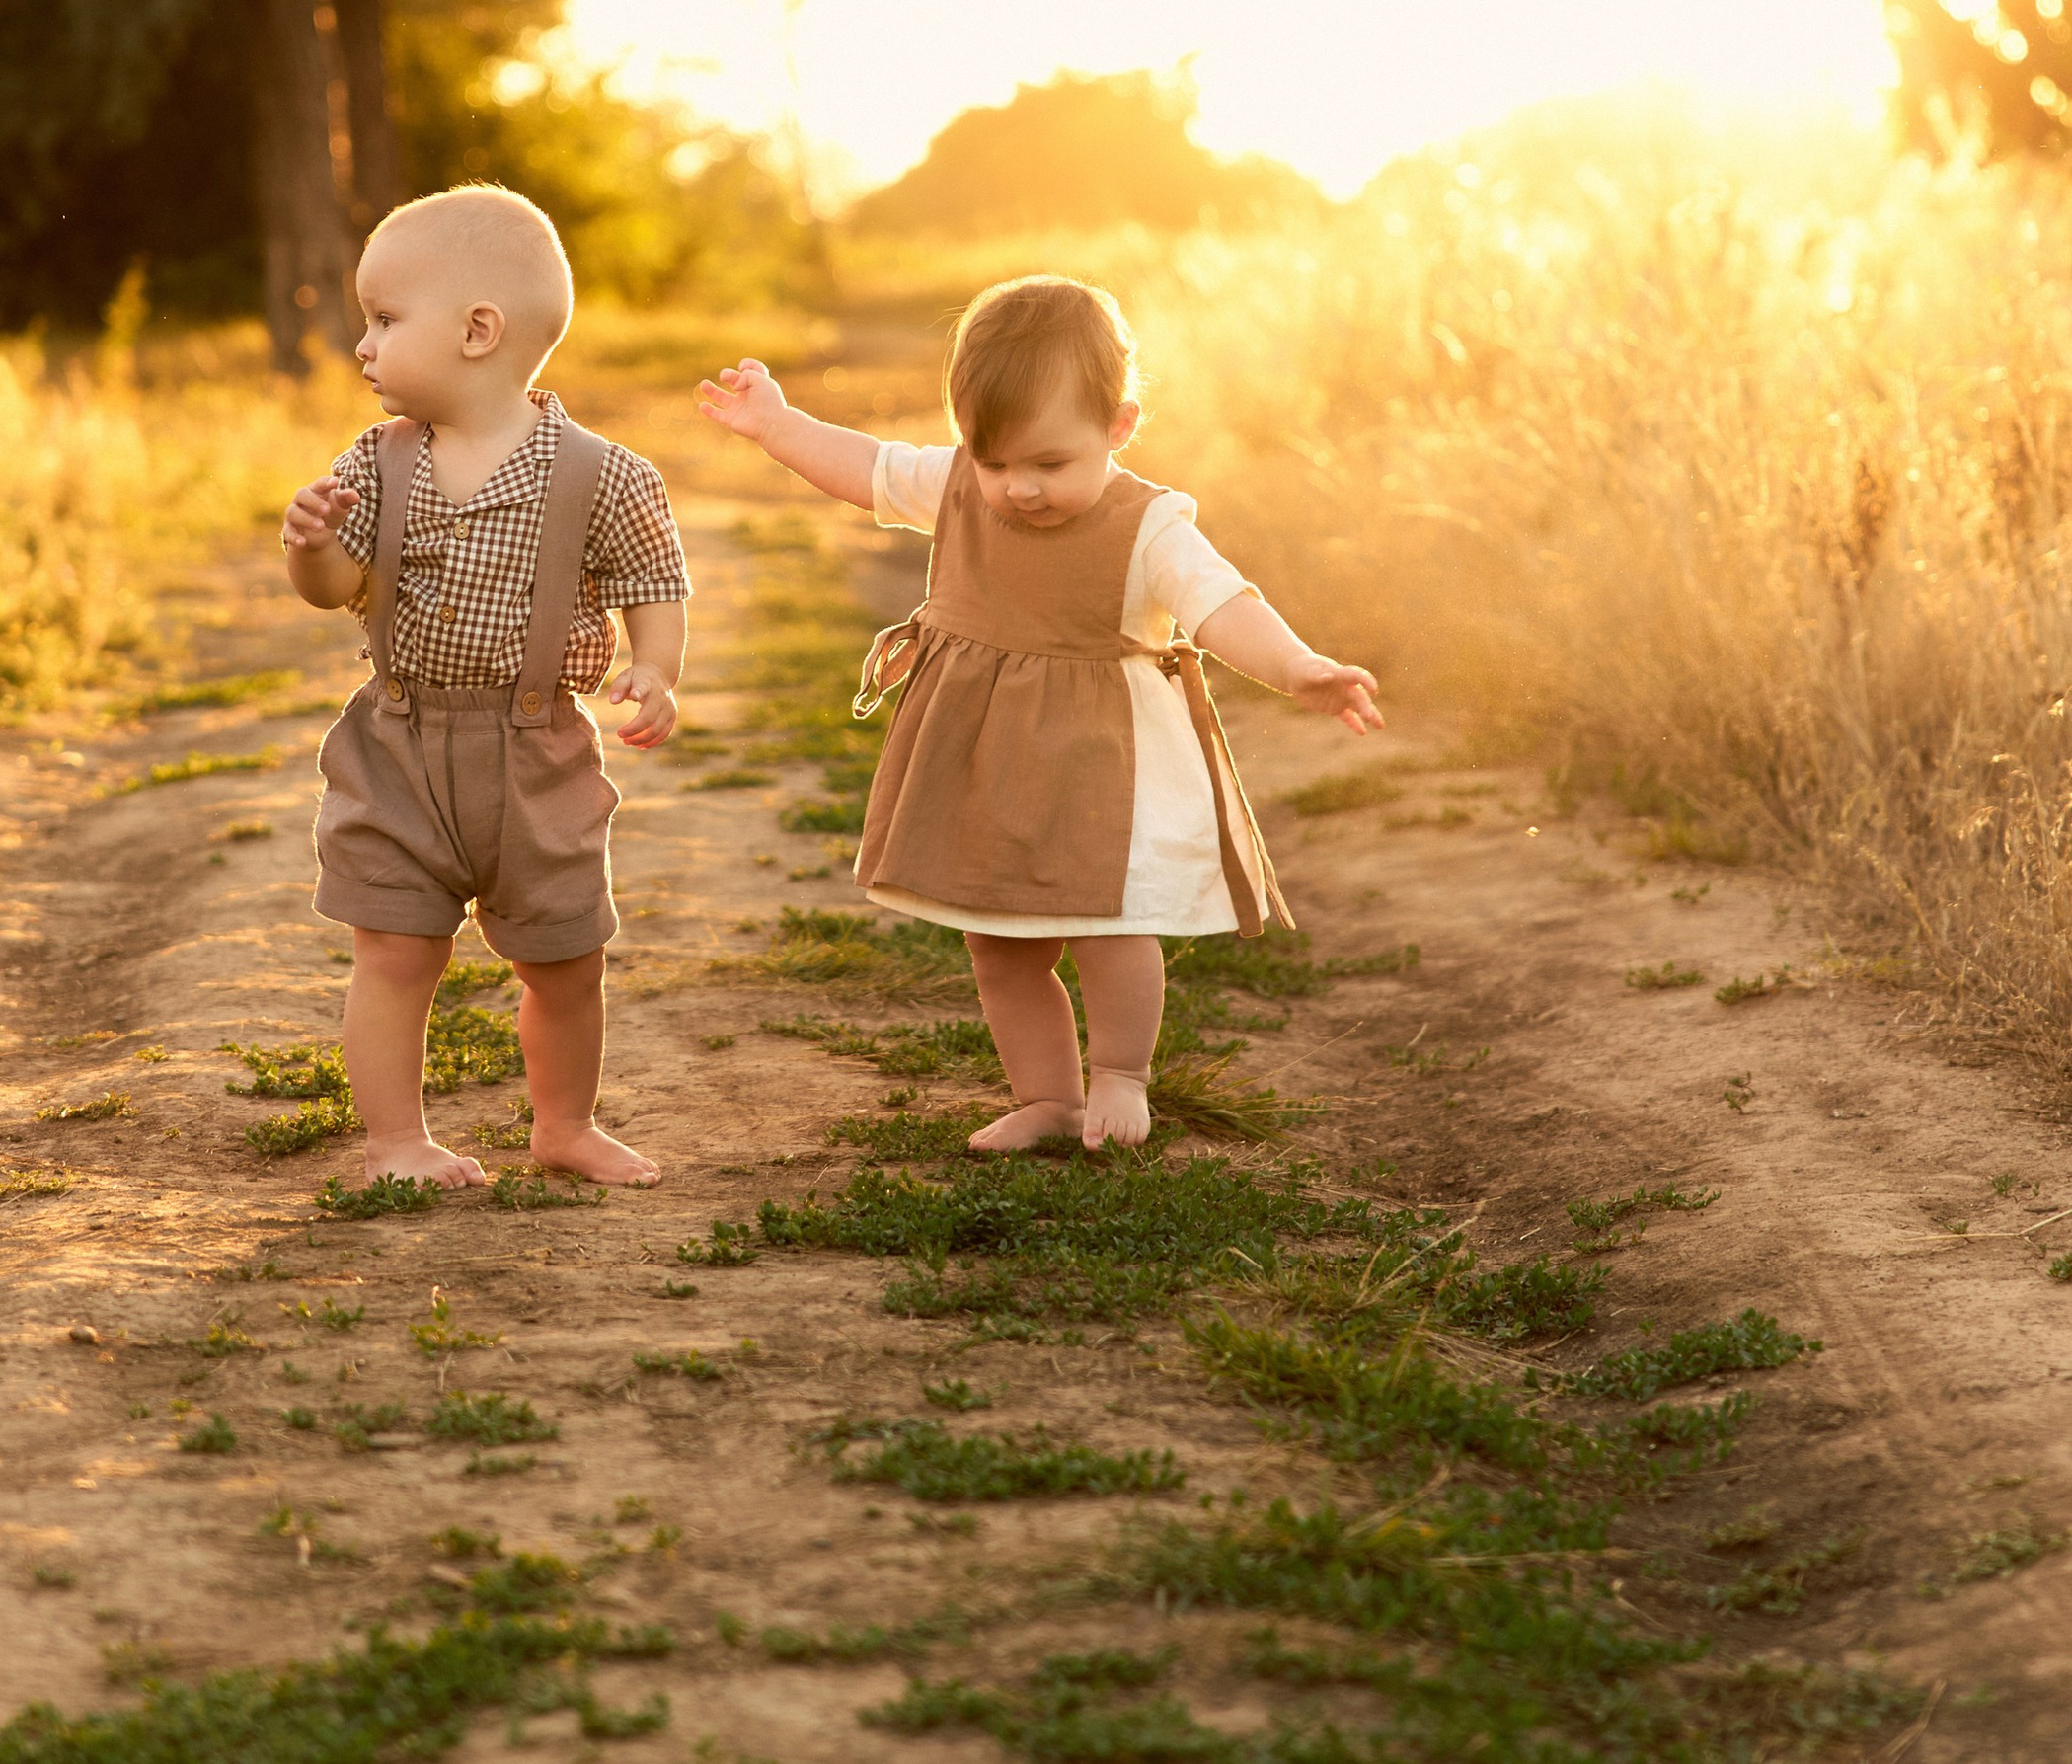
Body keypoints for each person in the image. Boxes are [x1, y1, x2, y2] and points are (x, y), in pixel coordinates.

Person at [696, 273, 1379, 1156]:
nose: (1018, 488)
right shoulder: (951, 486)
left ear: (1119, 427)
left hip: (1107, 762)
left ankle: (1122, 1074)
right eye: (995, 461)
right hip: (987, 760)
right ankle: (1047, 1097)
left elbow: (1221, 605)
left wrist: (1298, 667)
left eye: (1050, 464)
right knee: (1001, 938)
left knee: (1111, 923)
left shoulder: (1150, 526)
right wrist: (777, 425)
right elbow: (865, 467)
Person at [281, 186, 688, 1189]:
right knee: (393, 954)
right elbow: (336, 592)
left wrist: (655, 668)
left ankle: (564, 1126)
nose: (364, 347)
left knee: (563, 960)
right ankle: (396, 1143)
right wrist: (315, 547)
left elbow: (654, 582)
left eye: (383, 320)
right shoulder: (375, 464)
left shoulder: (603, 475)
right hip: (400, 746)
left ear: (477, 330)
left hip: (536, 753)